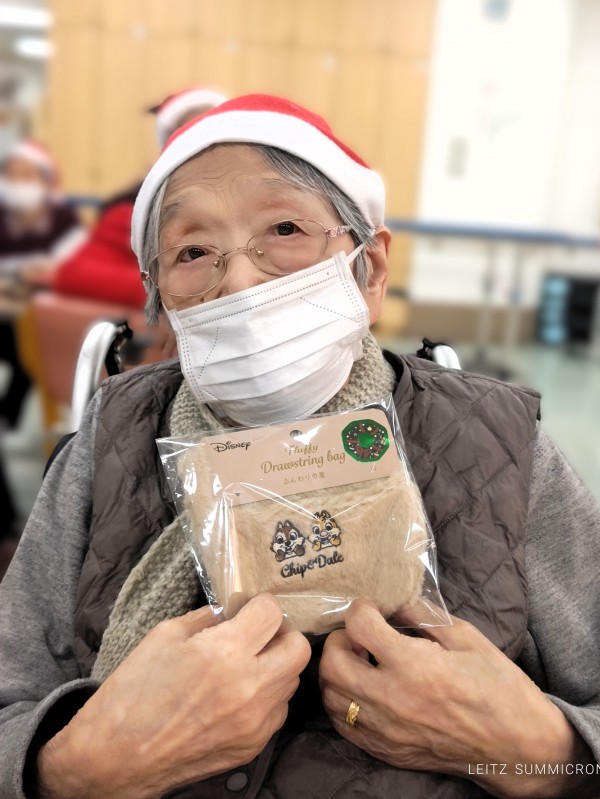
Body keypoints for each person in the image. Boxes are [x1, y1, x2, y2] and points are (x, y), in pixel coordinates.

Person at [0, 94, 599, 799]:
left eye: (285, 229)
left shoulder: (498, 448)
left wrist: (534, 751)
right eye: (193, 252)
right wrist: (76, 768)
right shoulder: (111, 438)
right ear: (160, 295)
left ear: (370, 270)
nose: (239, 281)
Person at [53, 87, 228, 309]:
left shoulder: (261, 202)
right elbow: (75, 275)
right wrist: (177, 287)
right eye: (192, 134)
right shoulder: (131, 211)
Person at [0, 140, 86, 427]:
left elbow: (73, 268)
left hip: (45, 313)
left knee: (31, 349)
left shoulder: (63, 220)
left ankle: (9, 412)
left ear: (44, 181)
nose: (17, 183)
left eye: (26, 175)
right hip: (9, 307)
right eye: (12, 175)